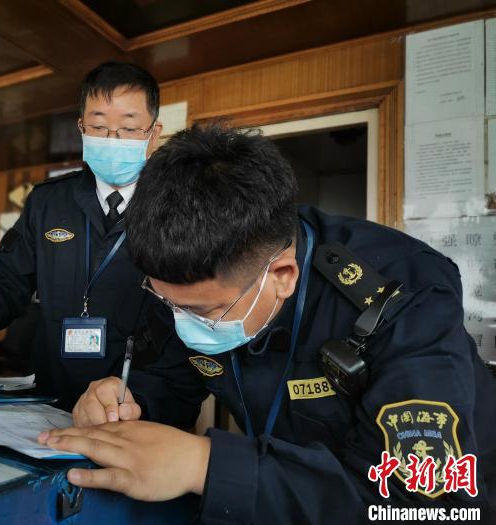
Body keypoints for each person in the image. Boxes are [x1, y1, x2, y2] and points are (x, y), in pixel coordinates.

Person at [38, 124, 496, 523]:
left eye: (201, 312)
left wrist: (205, 465)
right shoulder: (199, 279)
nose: (182, 321)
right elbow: (176, 377)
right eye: (165, 301)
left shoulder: (405, 294)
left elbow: (418, 501)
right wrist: (130, 400)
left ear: (282, 277)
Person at [0, 61, 162, 412]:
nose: (111, 140)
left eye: (128, 128)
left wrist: (147, 402)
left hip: (137, 407)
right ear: (81, 128)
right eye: (98, 126)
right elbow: (3, 279)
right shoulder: (49, 201)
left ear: (153, 133)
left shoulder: (177, 207)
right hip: (51, 401)